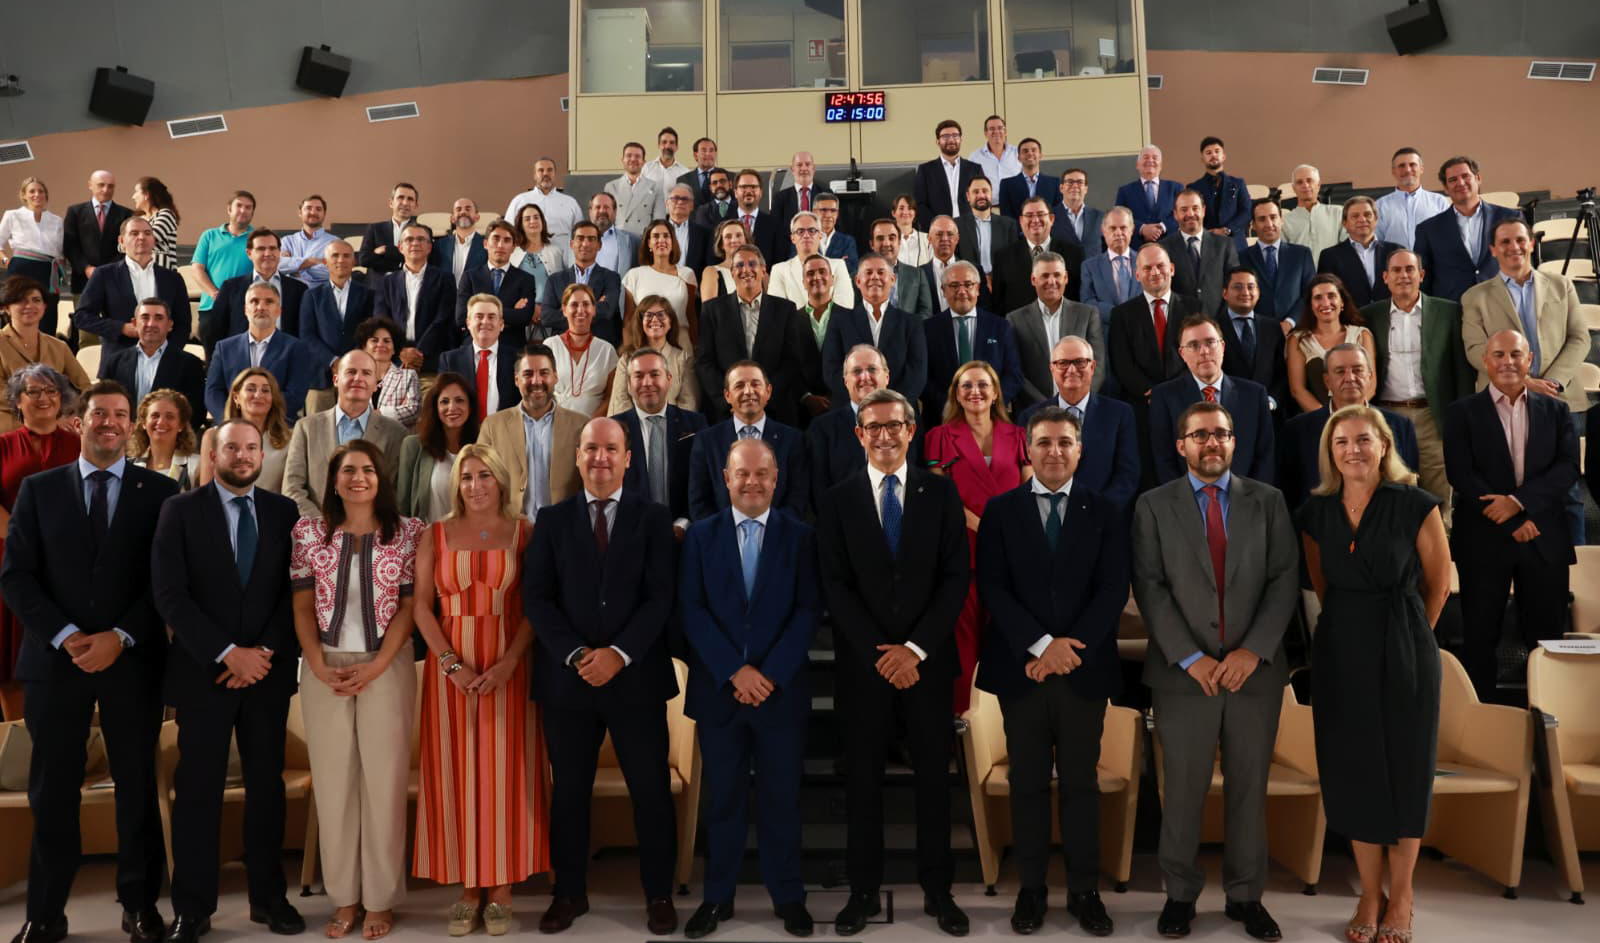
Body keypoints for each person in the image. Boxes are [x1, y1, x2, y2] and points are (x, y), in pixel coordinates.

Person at [1, 380, 178, 943]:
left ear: (133, 425)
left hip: (132, 662)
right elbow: (16, 576)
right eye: (98, 413)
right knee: (52, 791)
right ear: (80, 422)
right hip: (56, 663)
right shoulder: (38, 489)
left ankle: (140, 905)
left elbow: (168, 584)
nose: (109, 423)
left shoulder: (161, 492)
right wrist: (69, 635)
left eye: (120, 415)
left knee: (135, 787)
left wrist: (120, 637)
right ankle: (46, 912)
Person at [1131, 400, 1298, 943]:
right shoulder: (1153, 506)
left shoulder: (1268, 502)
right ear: (1181, 445)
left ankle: (1246, 896)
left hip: (1255, 674)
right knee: (1182, 790)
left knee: (1249, 788)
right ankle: (1179, 896)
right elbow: (1150, 587)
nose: (1212, 443)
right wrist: (1191, 656)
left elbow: (1283, 581)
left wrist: (1252, 652)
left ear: (1234, 441)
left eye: (1221, 434)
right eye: (1199, 435)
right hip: (1185, 675)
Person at [816, 388, 970, 938]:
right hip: (865, 667)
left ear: (911, 431)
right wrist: (882, 653)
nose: (884, 435)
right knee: (863, 784)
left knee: (933, 781)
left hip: (928, 665)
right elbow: (834, 585)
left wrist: (916, 650)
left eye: (894, 425)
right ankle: (861, 891)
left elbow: (956, 579)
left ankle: (938, 891)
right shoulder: (836, 500)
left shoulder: (941, 493)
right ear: (859, 434)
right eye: (872, 426)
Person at [1299, 405, 1451, 943]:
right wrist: (1353, 628)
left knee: (1405, 768)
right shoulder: (1316, 512)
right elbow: (1322, 583)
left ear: (1385, 445)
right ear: (1330, 452)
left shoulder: (1414, 503)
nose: (1353, 450)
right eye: (1341, 442)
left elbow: (1438, 581)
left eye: (1364, 440)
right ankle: (1368, 892)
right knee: (1354, 771)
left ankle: (1403, 894)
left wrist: (1410, 635)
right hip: (1342, 648)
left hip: (1406, 643)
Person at [974, 406, 1128, 937]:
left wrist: (1069, 649)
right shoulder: (1000, 511)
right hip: (1023, 672)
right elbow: (993, 587)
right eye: (1044, 442)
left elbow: (1112, 589)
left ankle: (1085, 892)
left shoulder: (1105, 511)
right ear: (1028, 450)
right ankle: (1033, 890)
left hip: (1083, 672)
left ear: (1079, 449)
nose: (1055, 451)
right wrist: (1042, 646)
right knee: (1029, 785)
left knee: (1081, 785)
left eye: (1065, 442)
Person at [524, 417, 680, 937]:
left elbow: (661, 598)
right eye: (590, 448)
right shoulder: (549, 520)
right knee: (568, 793)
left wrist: (618, 653)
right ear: (577, 455)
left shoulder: (655, 519)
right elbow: (537, 599)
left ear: (627, 457)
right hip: (569, 684)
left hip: (635, 681)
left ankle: (658, 894)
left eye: (611, 449)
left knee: (651, 791)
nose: (600, 458)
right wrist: (575, 654)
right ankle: (569, 893)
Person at [151, 418, 304, 943]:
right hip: (204, 674)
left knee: (267, 788)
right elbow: (169, 594)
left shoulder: (284, 512)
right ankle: (192, 909)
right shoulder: (180, 510)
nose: (243, 455)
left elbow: (293, 593)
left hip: (266, 673)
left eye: (252, 448)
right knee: (199, 791)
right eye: (232, 447)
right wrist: (226, 653)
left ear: (263, 455)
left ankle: (269, 899)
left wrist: (260, 653)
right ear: (212, 454)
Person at [678, 438, 818, 939]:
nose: (753, 482)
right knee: (724, 801)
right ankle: (717, 897)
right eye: (743, 474)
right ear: (726, 478)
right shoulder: (700, 536)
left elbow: (807, 611)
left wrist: (768, 674)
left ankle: (789, 897)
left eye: (762, 474)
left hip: (780, 693)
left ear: (776, 479)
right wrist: (734, 672)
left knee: (783, 800)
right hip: (720, 692)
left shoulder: (801, 537)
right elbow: (691, 609)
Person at [290, 439, 423, 942]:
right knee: (334, 784)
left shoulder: (408, 532)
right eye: (348, 470)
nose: (358, 478)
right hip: (325, 668)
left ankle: (380, 900)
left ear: (381, 478)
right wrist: (318, 664)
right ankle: (345, 897)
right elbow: (302, 606)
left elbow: (409, 608)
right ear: (334, 479)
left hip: (385, 668)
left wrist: (378, 666)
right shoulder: (308, 533)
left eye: (367, 470)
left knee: (383, 783)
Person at [412, 444, 544, 936]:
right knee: (457, 774)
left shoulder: (524, 533)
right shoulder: (435, 534)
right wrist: (449, 664)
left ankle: (504, 885)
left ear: (501, 482)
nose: (475, 485)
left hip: (509, 667)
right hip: (452, 673)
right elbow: (423, 607)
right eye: (466, 477)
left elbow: (535, 606)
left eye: (485, 475)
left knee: (508, 776)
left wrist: (510, 663)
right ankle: (469, 886)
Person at [1444, 329, 1580, 702]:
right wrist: (1512, 519)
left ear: (1530, 360)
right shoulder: (1461, 413)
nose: (1508, 363)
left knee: (1547, 639)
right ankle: (1483, 727)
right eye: (1499, 355)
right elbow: (1461, 473)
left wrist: (1520, 505)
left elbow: (1567, 468)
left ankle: (1551, 722)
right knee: (1479, 638)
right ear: (1486, 361)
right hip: (1485, 540)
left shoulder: (1556, 411)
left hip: (1543, 538)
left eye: (1516, 355)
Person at [924, 360, 1031, 713]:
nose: (975, 391)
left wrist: (1005, 530)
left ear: (996, 391)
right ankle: (966, 728)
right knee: (964, 644)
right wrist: (985, 527)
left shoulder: (1017, 435)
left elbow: (1032, 491)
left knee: (1006, 643)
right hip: (963, 553)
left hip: (1012, 555)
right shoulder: (938, 437)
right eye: (966, 385)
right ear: (956, 393)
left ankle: (1007, 729)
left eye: (983, 385)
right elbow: (942, 498)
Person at [1361, 249, 1473, 518]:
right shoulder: (1369, 315)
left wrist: (1461, 418)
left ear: (1421, 275)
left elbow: (1461, 371)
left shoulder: (1448, 311)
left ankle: (1440, 552)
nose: (1403, 276)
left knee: (1439, 497)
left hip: (1432, 416)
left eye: (1409, 270)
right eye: (1396, 271)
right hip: (1387, 417)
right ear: (1385, 278)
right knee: (1393, 491)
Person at [0, 365, 80, 721]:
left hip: (66, 563)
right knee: (9, 656)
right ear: (18, 400)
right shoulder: (1, 446)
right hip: (9, 560)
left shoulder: (82, 446)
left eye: (51, 390)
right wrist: (25, 544)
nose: (44, 398)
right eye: (34, 391)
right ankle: (16, 748)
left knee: (64, 653)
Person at [1461, 218, 1590, 415]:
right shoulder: (1474, 297)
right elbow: (1476, 350)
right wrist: (1525, 382)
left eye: (1520, 240)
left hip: (1559, 397)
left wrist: (1551, 382)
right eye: (1505, 242)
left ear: (1531, 244)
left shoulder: (1561, 285)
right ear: (1493, 250)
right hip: (1502, 401)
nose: (1514, 247)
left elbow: (1579, 338)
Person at [694, 244, 824, 428]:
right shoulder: (712, 310)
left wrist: (764, 398)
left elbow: (792, 361)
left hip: (775, 411)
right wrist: (729, 400)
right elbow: (704, 362)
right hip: (727, 413)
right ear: (731, 273)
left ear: (763, 271)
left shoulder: (785, 309)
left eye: (752, 264)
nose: (745, 270)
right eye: (739, 265)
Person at [1279, 344, 1420, 511]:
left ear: (1370, 376)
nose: (1350, 378)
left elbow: (1409, 486)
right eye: (1340, 371)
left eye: (1357, 370)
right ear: (1327, 380)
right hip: (1318, 528)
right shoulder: (1298, 429)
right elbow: (1290, 493)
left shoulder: (1399, 425)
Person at [1017, 335, 1140, 510]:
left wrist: (1096, 510)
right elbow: (1028, 475)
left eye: (1080, 362)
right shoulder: (1029, 417)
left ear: (1093, 366)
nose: (1072, 369)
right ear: (1052, 369)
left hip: (1103, 519)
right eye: (1063, 363)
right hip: (1048, 516)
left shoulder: (1120, 414)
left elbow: (1128, 476)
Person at [1150, 316, 1276, 485]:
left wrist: (1250, 500)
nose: (1204, 351)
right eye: (1194, 345)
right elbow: (1163, 459)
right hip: (1186, 503)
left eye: (1210, 342)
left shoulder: (1254, 394)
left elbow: (1265, 457)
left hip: (1247, 501)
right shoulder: (1164, 396)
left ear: (1222, 347)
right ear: (1182, 354)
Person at [1107, 243, 1195, 484]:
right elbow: (1121, 362)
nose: (1155, 272)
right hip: (1142, 408)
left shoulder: (1194, 307)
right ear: (1137, 274)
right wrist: (1152, 393)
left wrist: (1174, 391)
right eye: (1147, 268)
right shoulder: (1122, 314)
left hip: (1186, 403)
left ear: (1172, 269)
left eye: (1160, 266)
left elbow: (1198, 354)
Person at [283, 350, 407, 517]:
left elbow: (396, 493)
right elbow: (292, 488)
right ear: (336, 379)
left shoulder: (396, 433)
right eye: (351, 372)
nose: (358, 378)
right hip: (318, 532)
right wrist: (323, 527)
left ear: (376, 384)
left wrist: (365, 527)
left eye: (366, 373)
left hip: (373, 534)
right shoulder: (306, 428)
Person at [688, 361, 809, 521]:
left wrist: (767, 532)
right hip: (722, 540)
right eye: (739, 386)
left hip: (779, 538)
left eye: (755, 384)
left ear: (768, 391)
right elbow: (699, 502)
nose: (748, 391)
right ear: (727, 396)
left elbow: (797, 499)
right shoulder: (706, 441)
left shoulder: (793, 440)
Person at [476, 344, 586, 517]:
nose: (536, 381)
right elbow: (481, 482)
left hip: (563, 530)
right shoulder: (492, 427)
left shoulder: (581, 426)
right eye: (528, 374)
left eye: (544, 373)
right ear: (516, 379)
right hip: (511, 529)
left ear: (555, 377)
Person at [615, 347, 708, 533]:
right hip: (630, 534)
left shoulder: (695, 425)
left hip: (684, 534)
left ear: (669, 379)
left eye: (655, 374)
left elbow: (705, 483)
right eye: (638, 376)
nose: (647, 382)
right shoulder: (614, 428)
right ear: (628, 385)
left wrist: (683, 524)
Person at [820, 253, 928, 405]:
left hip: (899, 412)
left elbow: (917, 373)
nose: (875, 277)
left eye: (881, 272)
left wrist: (890, 405)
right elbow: (832, 370)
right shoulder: (839, 321)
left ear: (892, 280)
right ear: (857, 281)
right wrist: (861, 403)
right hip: (850, 412)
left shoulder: (911, 323)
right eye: (868, 272)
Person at [73, 216, 192, 352]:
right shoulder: (104, 275)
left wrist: (169, 352)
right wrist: (121, 328)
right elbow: (82, 317)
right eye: (134, 233)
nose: (141, 237)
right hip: (118, 358)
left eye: (147, 233)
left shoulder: (173, 278)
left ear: (154, 241)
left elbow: (183, 324)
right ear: (121, 241)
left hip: (163, 359)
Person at [921, 260, 1024, 418]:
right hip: (943, 419)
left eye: (968, 284)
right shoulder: (927, 329)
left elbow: (1014, 376)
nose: (962, 291)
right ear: (943, 290)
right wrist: (951, 406)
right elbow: (924, 378)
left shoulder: (1000, 327)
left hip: (991, 418)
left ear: (977, 288)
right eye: (954, 286)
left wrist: (989, 404)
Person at [1414, 156, 1521, 304]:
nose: (1460, 183)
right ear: (1445, 188)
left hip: (1503, 304)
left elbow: (1524, 265)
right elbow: (1424, 279)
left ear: (1478, 178)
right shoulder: (1428, 229)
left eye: (1465, 176)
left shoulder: (1509, 218)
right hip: (1453, 311)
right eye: (1452, 180)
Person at [806, 345, 906, 499]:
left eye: (872, 369)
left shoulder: (907, 421)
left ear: (886, 377)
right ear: (846, 381)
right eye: (857, 371)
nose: (865, 377)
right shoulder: (822, 429)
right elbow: (819, 492)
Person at [1007, 250, 1105, 407]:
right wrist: (1047, 404)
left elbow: (1098, 365)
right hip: (1034, 410)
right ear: (1033, 279)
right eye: (1045, 276)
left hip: (1081, 408)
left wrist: (1078, 400)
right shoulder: (1015, 320)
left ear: (1065, 278)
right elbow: (1016, 370)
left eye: (1057, 275)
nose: (1051, 281)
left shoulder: (1087, 314)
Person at [204, 282, 312, 423]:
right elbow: (213, 392)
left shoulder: (296, 348)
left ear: (279, 311)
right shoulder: (224, 348)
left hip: (278, 429)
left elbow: (295, 395)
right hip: (232, 426)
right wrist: (230, 421)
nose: (261, 307)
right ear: (245, 309)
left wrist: (260, 420)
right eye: (254, 301)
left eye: (269, 302)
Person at [96, 297, 205, 432]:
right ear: (135, 323)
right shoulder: (114, 362)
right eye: (145, 317)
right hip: (123, 440)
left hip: (169, 441)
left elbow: (196, 413)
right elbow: (102, 404)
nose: (151, 324)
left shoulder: (190, 364)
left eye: (159, 318)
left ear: (170, 325)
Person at [0, 276, 89, 431]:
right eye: (21, 300)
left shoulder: (59, 346)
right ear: (6, 308)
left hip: (54, 425)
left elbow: (86, 387)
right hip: (10, 426)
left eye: (36, 300)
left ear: (44, 307)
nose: (30, 305)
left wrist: (72, 414)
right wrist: (45, 416)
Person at [1287, 274, 1377, 413]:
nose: (1325, 303)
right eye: (1318, 297)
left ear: (1342, 302)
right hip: (1317, 422)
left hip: (1359, 416)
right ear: (1310, 305)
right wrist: (1328, 418)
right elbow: (1297, 390)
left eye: (1331, 296)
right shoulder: (1298, 340)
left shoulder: (1362, 335)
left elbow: (1371, 384)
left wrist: (1352, 414)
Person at [397, 373, 479, 523]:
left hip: (473, 541)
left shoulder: (482, 447)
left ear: (470, 406)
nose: (452, 407)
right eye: (444, 402)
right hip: (427, 541)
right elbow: (403, 508)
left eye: (459, 400)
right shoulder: (413, 447)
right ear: (435, 407)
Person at [196, 368, 294, 493]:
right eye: (251, 389)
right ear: (236, 397)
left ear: (273, 399)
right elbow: (206, 492)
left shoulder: (290, 439)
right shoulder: (213, 436)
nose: (258, 395)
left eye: (265, 390)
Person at [374, 222, 456, 370]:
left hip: (432, 360)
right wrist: (401, 351)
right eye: (409, 239)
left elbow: (443, 318)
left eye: (421, 239)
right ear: (400, 247)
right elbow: (382, 320)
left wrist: (418, 352)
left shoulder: (445, 278)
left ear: (429, 247)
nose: (415, 243)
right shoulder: (387, 282)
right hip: (396, 360)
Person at [301, 240, 375, 398]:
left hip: (357, 375)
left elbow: (369, 332)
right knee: (318, 422)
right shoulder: (312, 295)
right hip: (320, 376)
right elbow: (307, 335)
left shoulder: (368, 294)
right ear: (326, 263)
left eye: (346, 256)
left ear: (354, 262)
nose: (341, 260)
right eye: (335, 256)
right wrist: (333, 361)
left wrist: (350, 361)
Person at [209, 228, 309, 341]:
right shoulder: (231, 288)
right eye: (261, 249)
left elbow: (306, 331)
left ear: (279, 252)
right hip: (241, 357)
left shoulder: (299, 289)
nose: (268, 253)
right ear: (249, 253)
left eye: (272, 248)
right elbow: (215, 330)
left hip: (287, 356)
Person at [990, 196, 1084, 312]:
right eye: (1029, 215)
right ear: (1021, 221)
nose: (1035, 220)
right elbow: (998, 304)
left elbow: (1079, 300)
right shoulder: (1003, 257)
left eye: (1040, 214)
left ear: (1052, 219)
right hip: (1018, 328)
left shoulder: (1074, 254)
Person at [0, 178, 67, 340]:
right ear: (24, 195)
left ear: (46, 195)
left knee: (47, 315)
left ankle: (44, 358)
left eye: (41, 191)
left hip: (47, 270)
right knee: (19, 310)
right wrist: (5, 260)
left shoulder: (56, 220)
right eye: (32, 191)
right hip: (21, 269)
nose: (37, 195)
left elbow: (60, 251)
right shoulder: (13, 215)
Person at [607, 295, 697, 414]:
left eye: (661, 315)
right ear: (640, 322)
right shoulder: (626, 358)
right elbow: (620, 402)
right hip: (632, 429)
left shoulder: (683, 359)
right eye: (648, 315)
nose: (654, 320)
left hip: (673, 429)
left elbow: (689, 403)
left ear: (670, 322)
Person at [1215, 267, 1289, 411]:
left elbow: (1282, 373)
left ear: (1258, 293)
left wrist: (1272, 401)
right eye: (1238, 287)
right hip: (1226, 411)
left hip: (1268, 412)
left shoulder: (1272, 327)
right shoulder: (1213, 328)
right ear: (1225, 293)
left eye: (1251, 287)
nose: (1245, 292)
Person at [189, 191, 256, 350]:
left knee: (242, 358)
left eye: (248, 207)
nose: (243, 210)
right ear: (229, 209)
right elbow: (197, 268)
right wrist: (215, 293)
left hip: (245, 309)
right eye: (238, 205)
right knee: (213, 360)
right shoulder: (209, 236)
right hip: (211, 307)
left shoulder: (257, 238)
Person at [454, 220, 540, 342]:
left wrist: (478, 313)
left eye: (507, 240)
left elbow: (524, 317)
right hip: (474, 345)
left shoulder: (526, 279)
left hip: (511, 347)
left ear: (513, 247)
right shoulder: (470, 277)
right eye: (496, 239)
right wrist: (510, 311)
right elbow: (461, 316)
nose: (500, 245)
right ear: (485, 244)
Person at [1159, 188, 1240, 315]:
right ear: (1175, 214)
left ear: (1203, 210)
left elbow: (1234, 284)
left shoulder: (1224, 245)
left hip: (1218, 322)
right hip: (1180, 324)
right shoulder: (1163, 248)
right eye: (1184, 209)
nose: (1190, 214)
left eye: (1195, 208)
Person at [541, 221, 623, 346]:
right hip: (563, 346)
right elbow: (547, 317)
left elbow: (607, 311)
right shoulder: (555, 280)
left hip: (600, 346)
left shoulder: (611, 277)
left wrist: (569, 311)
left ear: (599, 245)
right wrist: (594, 307)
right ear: (571, 244)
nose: (585, 244)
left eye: (591, 239)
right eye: (580, 238)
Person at [440, 294, 521, 417]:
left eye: (491, 317)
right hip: (464, 433)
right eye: (479, 316)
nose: (485, 322)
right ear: (468, 323)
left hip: (505, 432)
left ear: (501, 324)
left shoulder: (518, 359)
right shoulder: (450, 361)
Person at [622, 220, 699, 343]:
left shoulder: (687, 274)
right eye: (656, 236)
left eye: (666, 236)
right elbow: (628, 320)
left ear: (672, 242)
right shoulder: (634, 276)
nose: (661, 240)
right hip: (645, 344)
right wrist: (629, 350)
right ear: (648, 243)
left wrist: (696, 349)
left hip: (681, 344)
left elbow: (691, 317)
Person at [549, 284, 618, 418]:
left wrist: (590, 425)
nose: (580, 310)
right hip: (555, 425)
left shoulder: (607, 350)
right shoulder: (550, 346)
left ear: (593, 310)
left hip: (594, 430)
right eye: (574, 305)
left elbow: (611, 397)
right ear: (564, 310)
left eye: (586, 304)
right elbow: (543, 393)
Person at [1239, 200, 1315, 322]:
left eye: (1273, 217)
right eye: (1262, 219)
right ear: (1253, 225)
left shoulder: (1302, 255)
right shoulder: (1241, 258)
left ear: (1281, 220)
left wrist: (1291, 321)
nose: (1269, 224)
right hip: (1258, 331)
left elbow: (1310, 293)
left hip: (1297, 330)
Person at [1317, 196, 1398, 308]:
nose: (1362, 219)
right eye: (1355, 216)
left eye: (1367, 215)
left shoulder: (1396, 251)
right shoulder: (1330, 256)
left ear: (1376, 219)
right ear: (1344, 223)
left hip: (1390, 318)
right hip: (1351, 320)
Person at [61, 170, 133, 296]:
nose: (106, 190)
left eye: (110, 186)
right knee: (83, 315)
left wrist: (106, 270)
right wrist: (86, 268)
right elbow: (70, 245)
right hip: (83, 280)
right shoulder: (75, 212)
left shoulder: (126, 214)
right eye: (101, 185)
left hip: (115, 279)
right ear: (90, 185)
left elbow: (127, 247)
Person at [768, 213, 854, 310]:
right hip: (794, 325)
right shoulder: (779, 270)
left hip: (833, 324)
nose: (806, 235)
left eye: (812, 231)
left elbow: (845, 305)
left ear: (820, 235)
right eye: (800, 231)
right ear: (792, 238)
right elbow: (777, 310)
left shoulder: (838, 266)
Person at [503, 158, 584, 255]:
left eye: (550, 170)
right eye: (541, 170)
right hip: (527, 258)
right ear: (534, 175)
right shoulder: (520, 201)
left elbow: (581, 233)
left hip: (564, 257)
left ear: (555, 174)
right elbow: (507, 232)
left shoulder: (570, 202)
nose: (546, 173)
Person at [1374, 148, 1449, 250]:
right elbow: (1376, 243)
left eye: (1412, 164)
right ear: (1393, 172)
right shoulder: (1379, 206)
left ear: (1421, 169)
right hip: (1394, 265)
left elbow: (1448, 239)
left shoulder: (1440, 202)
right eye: (1401, 166)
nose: (1407, 170)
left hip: (1432, 265)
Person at [1078, 207, 1138, 334]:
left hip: (1140, 333)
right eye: (1112, 228)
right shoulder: (1090, 266)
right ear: (1103, 231)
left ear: (1132, 230)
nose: (1118, 233)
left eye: (1123, 228)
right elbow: (1087, 301)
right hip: (1106, 335)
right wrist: (1118, 315)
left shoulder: (1145, 261)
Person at [913, 120, 983, 228]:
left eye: (955, 135)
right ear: (937, 141)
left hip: (970, 229)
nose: (951, 139)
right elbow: (920, 204)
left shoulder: (974, 169)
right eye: (945, 136)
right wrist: (935, 226)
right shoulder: (925, 170)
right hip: (938, 231)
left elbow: (981, 199)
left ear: (961, 139)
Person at [356, 316, 422, 428]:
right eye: (374, 340)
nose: (381, 344)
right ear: (364, 347)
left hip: (396, 441)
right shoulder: (357, 379)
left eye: (387, 341)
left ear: (394, 348)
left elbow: (413, 410)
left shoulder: (408, 376)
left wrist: (377, 414)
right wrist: (396, 411)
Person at [127, 388, 200, 490]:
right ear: (143, 423)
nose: (161, 422)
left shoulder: (196, 466)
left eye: (170, 417)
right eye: (155, 416)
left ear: (181, 425)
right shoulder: (129, 466)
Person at [1188, 137, 1252, 250]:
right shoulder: (1194, 187)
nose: (1213, 155)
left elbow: (1246, 211)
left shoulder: (1238, 183)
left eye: (1217, 151)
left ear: (1224, 156)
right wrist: (1208, 233)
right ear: (1202, 159)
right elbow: (1192, 216)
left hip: (1236, 244)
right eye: (1208, 153)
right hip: (1206, 244)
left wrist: (1227, 230)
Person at [954, 176, 1020, 284]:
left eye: (985, 191)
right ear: (968, 196)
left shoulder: (1008, 225)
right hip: (968, 284)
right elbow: (955, 257)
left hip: (1001, 283)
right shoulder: (957, 225)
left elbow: (1012, 258)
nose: (981, 195)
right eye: (975, 192)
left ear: (991, 194)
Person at [1115, 146, 1181, 249]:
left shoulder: (1175, 188)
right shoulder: (1125, 191)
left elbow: (1181, 214)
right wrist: (1142, 228)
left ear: (1161, 165)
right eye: (1146, 157)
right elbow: (1120, 217)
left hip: (1170, 246)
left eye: (1155, 158)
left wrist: (1162, 227)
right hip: (1137, 248)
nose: (1150, 160)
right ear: (1137, 165)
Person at [358, 182, 420, 290]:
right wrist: (400, 262)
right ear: (391, 203)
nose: (405, 203)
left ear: (416, 205)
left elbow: (419, 260)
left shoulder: (421, 231)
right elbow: (364, 259)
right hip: (377, 289)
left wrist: (386, 250)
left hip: (409, 289)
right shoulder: (374, 229)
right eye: (400, 198)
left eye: (410, 199)